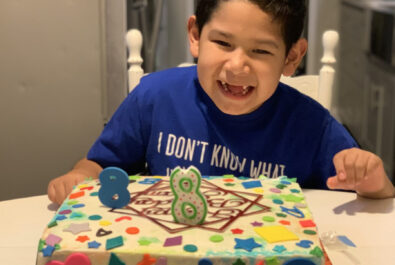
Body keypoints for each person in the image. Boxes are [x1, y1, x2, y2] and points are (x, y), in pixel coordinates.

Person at [48, 0, 395, 205]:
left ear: (292, 57)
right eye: (223, 43)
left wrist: (372, 181)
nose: (237, 65)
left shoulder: (313, 126)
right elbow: (98, 165)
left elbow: (377, 199)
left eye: (260, 51)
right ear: (196, 36)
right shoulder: (153, 97)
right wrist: (79, 175)